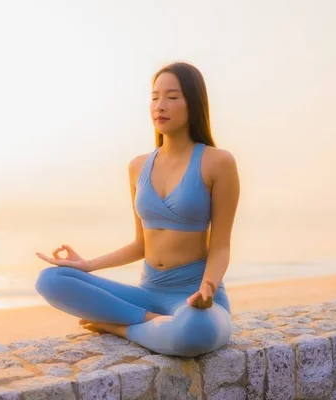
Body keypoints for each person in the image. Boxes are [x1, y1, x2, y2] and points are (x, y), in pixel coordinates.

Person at [34, 62, 240, 357]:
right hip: (146, 293)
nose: (160, 106)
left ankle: (117, 327)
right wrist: (88, 265)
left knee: (196, 331)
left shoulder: (218, 162)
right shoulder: (138, 166)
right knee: (51, 280)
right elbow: (141, 244)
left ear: (193, 103)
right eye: (155, 97)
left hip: (195, 298)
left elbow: (220, 247)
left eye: (172, 97)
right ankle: (153, 323)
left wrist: (208, 286)